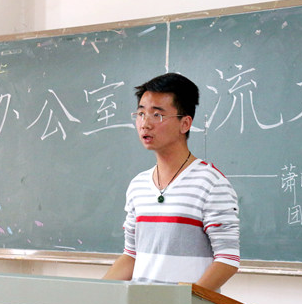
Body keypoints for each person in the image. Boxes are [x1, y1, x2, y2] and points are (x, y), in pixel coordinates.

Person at [103, 73, 240, 291]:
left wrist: (185, 302)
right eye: (141, 113)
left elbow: (227, 260)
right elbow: (131, 256)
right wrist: (96, 295)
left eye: (157, 115)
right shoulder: (138, 185)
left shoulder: (211, 183)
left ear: (185, 123)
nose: (145, 124)